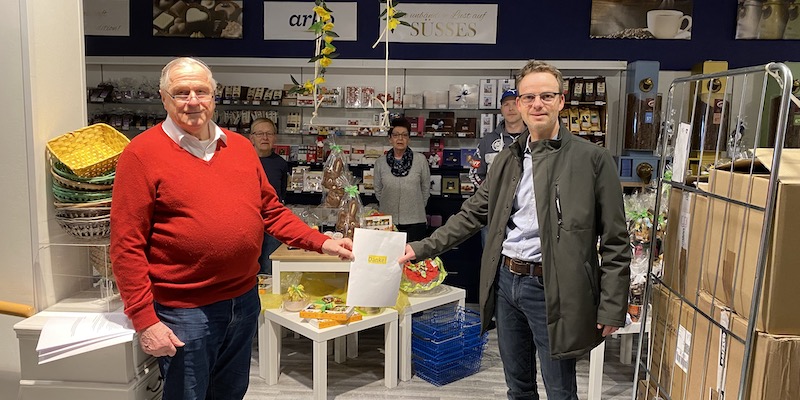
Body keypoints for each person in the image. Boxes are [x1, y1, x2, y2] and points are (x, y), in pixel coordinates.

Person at [109, 57, 353, 400]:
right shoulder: (141, 154)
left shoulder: (239, 147)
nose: (193, 100)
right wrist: (145, 320)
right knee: (187, 394)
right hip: (185, 310)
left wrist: (322, 243)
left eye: (201, 91)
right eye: (181, 92)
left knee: (231, 391)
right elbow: (125, 245)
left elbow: (270, 210)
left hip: (243, 299)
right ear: (164, 99)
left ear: (214, 96)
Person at [398, 60, 631, 400]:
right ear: (518, 104)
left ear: (561, 102)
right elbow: (472, 213)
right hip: (507, 284)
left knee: (561, 389)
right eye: (529, 97)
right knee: (517, 386)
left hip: (554, 289)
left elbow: (615, 241)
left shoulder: (592, 159)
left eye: (547, 96)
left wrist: (612, 307)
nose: (538, 104)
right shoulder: (509, 157)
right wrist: (421, 248)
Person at [469, 88, 525, 246]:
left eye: (515, 103)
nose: (511, 108)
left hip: (523, 213)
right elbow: (474, 173)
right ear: (501, 109)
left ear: (522, 106)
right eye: (506, 104)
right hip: (493, 212)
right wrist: (491, 195)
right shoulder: (488, 141)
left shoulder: (533, 139)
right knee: (490, 260)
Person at [373, 118, 431, 241]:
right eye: (396, 135)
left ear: (409, 139)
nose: (400, 139)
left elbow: (425, 188)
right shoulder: (380, 162)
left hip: (415, 220)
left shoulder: (420, 160)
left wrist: (416, 206)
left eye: (404, 135)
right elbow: (378, 190)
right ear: (390, 139)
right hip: (388, 221)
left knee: (414, 259)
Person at [250, 117, 289, 275]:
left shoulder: (280, 163)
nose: (264, 138)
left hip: (272, 223)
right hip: (249, 222)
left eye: (269, 133)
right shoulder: (244, 160)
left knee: (269, 267)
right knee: (249, 267)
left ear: (275, 137)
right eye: (260, 134)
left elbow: (282, 193)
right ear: (251, 138)